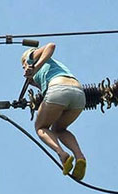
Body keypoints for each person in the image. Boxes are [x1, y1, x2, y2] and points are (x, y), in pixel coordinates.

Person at [21, 43, 87, 181]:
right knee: (59, 129)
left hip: (58, 89)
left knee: (40, 127)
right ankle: (80, 157)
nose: (23, 69)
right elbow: (42, 84)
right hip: (79, 95)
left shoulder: (30, 57)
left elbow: (51, 46)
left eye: (23, 66)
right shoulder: (53, 67)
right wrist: (32, 79)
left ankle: (62, 154)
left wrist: (32, 65)